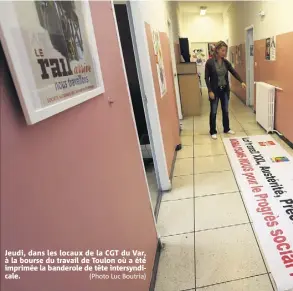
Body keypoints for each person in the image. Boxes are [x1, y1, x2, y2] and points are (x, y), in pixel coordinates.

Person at [205, 41, 246, 140]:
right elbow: (206, 78)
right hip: (214, 91)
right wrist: (210, 91)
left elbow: (233, 71)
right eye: (223, 50)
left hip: (224, 90)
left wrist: (241, 81)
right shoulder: (210, 62)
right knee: (214, 111)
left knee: (225, 110)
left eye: (226, 51)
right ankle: (213, 131)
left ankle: (226, 128)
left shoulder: (225, 62)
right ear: (217, 50)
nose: (225, 53)